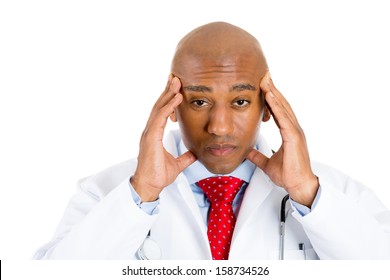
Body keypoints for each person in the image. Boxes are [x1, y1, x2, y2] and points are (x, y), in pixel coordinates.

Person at [33, 22, 390, 260]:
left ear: (267, 107)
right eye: (199, 101)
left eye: (240, 102)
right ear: (172, 106)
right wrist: (140, 194)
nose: (219, 127)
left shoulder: (336, 194)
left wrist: (308, 193)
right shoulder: (107, 191)